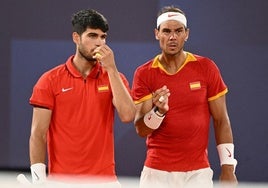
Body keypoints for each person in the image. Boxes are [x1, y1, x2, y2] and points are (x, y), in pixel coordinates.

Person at [131, 5, 238, 188]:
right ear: (157, 34)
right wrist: (158, 112)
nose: (172, 37)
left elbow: (221, 120)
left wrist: (228, 168)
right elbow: (141, 129)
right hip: (156, 173)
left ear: (186, 34)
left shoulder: (206, 67)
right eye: (166, 31)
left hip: (198, 174)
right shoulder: (144, 73)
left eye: (178, 31)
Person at [27, 9, 136, 187]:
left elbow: (128, 115)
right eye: (92, 36)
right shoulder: (49, 80)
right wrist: (38, 179)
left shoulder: (115, 77)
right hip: (62, 181)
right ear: (76, 38)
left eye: (103, 37)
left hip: (105, 181)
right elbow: (38, 134)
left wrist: (112, 69)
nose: (99, 43)